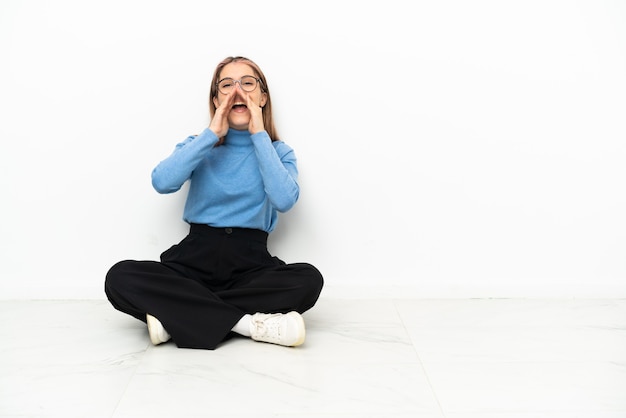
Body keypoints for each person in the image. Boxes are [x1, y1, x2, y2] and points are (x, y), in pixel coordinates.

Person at [104, 56, 324, 350]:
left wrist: (259, 135)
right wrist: (212, 135)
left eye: (248, 83)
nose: (237, 91)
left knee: (308, 280)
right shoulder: (199, 143)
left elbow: (284, 201)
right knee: (119, 277)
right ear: (216, 98)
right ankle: (248, 325)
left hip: (251, 264)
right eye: (226, 85)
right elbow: (162, 182)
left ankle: (176, 317)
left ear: (262, 97)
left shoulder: (278, 152)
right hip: (193, 261)